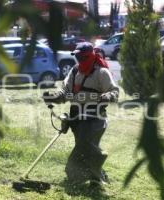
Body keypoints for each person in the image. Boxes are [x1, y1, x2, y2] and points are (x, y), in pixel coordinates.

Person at [43, 42, 119, 187]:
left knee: (84, 147)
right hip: (77, 118)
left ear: (90, 55)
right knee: (84, 147)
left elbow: (115, 92)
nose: (79, 59)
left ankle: (78, 176)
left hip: (95, 118)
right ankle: (98, 177)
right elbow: (65, 92)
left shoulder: (101, 73)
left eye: (82, 56)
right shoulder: (75, 71)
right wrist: (53, 97)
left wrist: (107, 96)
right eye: (77, 56)